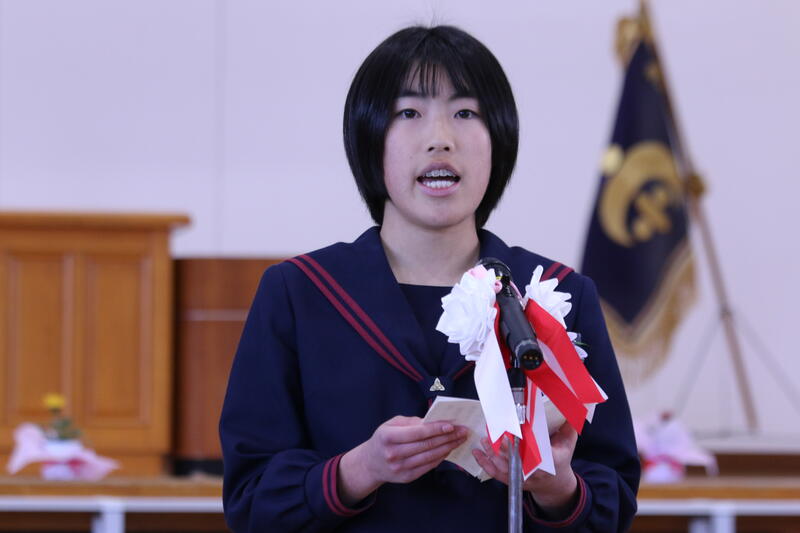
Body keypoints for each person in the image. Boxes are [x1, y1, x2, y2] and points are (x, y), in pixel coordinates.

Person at [219, 25, 640, 532]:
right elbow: (250, 499)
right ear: (369, 138)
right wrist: (361, 469)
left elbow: (613, 498)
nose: (440, 138)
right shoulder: (300, 293)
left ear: (498, 139)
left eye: (465, 113)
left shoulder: (558, 294)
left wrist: (555, 487)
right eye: (409, 113)